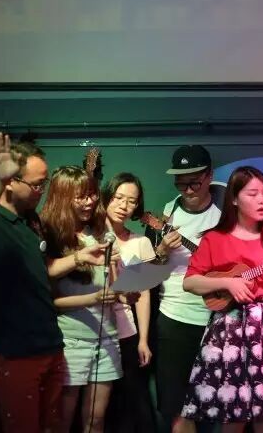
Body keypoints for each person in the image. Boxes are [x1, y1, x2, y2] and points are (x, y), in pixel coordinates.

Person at [0, 133, 107, 433]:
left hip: (49, 344)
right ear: (11, 182)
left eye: (44, 183)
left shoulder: (31, 220)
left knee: (51, 425)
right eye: (37, 185)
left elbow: (44, 269)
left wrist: (79, 257)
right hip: (15, 350)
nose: (42, 191)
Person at [181, 166, 263, 431]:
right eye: (252, 194)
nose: (262, 200)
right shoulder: (215, 238)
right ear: (234, 199)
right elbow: (190, 282)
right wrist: (227, 282)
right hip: (229, 329)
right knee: (232, 411)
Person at [147, 145, 222, 433]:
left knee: (216, 405)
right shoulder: (165, 215)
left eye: (194, 182)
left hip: (216, 320)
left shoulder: (224, 215)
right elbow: (146, 274)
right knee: (176, 407)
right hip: (173, 318)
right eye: (180, 183)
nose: (187, 190)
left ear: (209, 176)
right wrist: (162, 251)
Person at [40, 166, 120, 433]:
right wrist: (93, 297)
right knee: (62, 421)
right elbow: (48, 300)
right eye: (81, 196)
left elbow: (113, 285)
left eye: (92, 195)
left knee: (96, 420)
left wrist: (124, 290)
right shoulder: (49, 236)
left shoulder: (98, 231)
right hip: (71, 340)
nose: (90, 202)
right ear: (63, 197)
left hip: (106, 338)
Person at [96, 172, 158, 432]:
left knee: (133, 405)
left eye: (131, 201)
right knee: (99, 410)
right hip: (93, 333)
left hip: (127, 333)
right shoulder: (89, 238)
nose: (124, 206)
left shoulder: (141, 242)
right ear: (106, 197)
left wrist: (143, 339)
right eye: (118, 198)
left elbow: (143, 294)